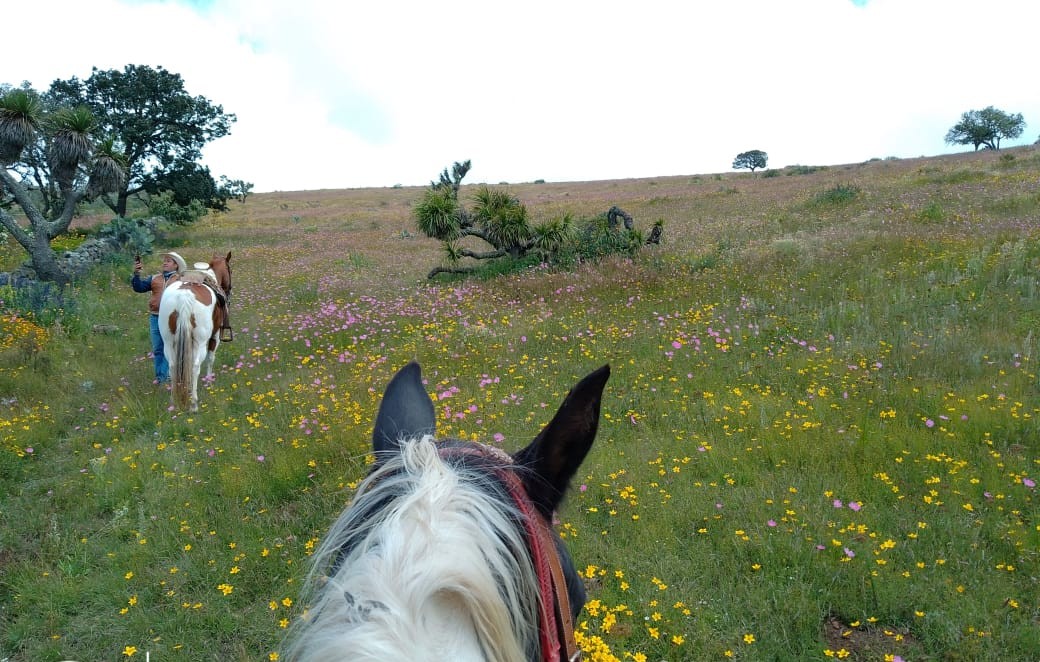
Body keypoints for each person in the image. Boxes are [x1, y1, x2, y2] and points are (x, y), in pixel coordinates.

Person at [131, 251, 186, 383]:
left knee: (170, 348)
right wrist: (136, 274)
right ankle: (161, 377)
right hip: (155, 318)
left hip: (172, 319)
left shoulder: (181, 280)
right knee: (157, 349)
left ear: (176, 265)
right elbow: (138, 288)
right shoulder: (155, 278)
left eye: (169, 260)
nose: (165, 262)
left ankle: (163, 378)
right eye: (165, 260)